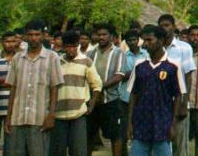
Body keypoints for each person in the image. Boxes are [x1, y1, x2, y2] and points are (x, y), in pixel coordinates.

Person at [4, 20, 64, 156]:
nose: (33, 38)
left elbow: (55, 88)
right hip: (18, 119)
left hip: (40, 119)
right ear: (25, 36)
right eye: (30, 35)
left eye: (37, 34)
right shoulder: (17, 58)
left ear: (42, 35)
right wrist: (8, 117)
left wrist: (51, 115)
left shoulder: (52, 57)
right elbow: (13, 88)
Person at [127, 26, 187, 156]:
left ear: (160, 41)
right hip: (141, 123)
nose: (145, 44)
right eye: (144, 40)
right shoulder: (139, 65)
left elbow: (178, 95)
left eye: (149, 40)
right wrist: (130, 123)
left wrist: (173, 124)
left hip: (163, 123)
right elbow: (133, 94)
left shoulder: (173, 65)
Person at [51, 32, 101, 156]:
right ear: (63, 47)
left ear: (78, 45)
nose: (71, 49)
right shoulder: (56, 61)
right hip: (58, 114)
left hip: (79, 114)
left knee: (78, 151)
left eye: (74, 46)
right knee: (58, 151)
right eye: (68, 46)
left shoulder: (86, 61)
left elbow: (97, 85)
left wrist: (91, 105)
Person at [155, 16, 195, 156]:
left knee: (179, 143)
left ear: (173, 27)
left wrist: (185, 103)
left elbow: (188, 77)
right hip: (159, 103)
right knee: (160, 143)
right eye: (161, 25)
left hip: (178, 101)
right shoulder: (154, 48)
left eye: (167, 25)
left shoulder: (184, 48)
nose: (164, 28)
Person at [87, 25, 128, 156]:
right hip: (92, 101)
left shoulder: (118, 53)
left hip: (111, 100)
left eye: (104, 34)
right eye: (99, 34)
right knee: (89, 134)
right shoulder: (91, 53)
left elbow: (119, 75)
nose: (101, 37)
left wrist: (99, 88)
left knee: (115, 135)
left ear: (111, 36)